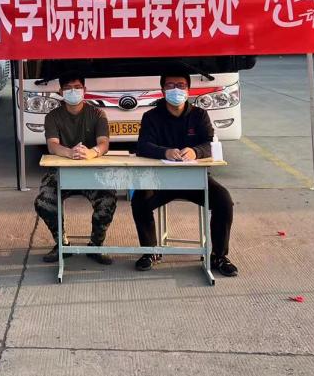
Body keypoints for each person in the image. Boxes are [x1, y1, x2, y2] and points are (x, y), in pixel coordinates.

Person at [130, 69, 238, 277]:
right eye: (170, 86)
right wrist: (165, 152)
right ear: (163, 90)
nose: (176, 90)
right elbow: (142, 146)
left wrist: (195, 151)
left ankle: (219, 256)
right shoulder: (151, 116)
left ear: (188, 90)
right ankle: (150, 252)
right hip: (161, 180)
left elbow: (209, 143)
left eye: (180, 86)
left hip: (194, 179)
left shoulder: (199, 115)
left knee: (224, 201)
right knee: (139, 201)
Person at [33, 72, 117, 265]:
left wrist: (92, 152)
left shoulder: (97, 114)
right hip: (61, 171)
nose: (73, 91)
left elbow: (104, 143)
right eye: (68, 88)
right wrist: (70, 153)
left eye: (77, 87)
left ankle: (96, 245)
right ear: (61, 91)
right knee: (44, 202)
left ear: (84, 90)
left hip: (92, 171)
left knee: (107, 200)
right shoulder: (53, 116)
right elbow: (52, 145)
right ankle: (62, 244)